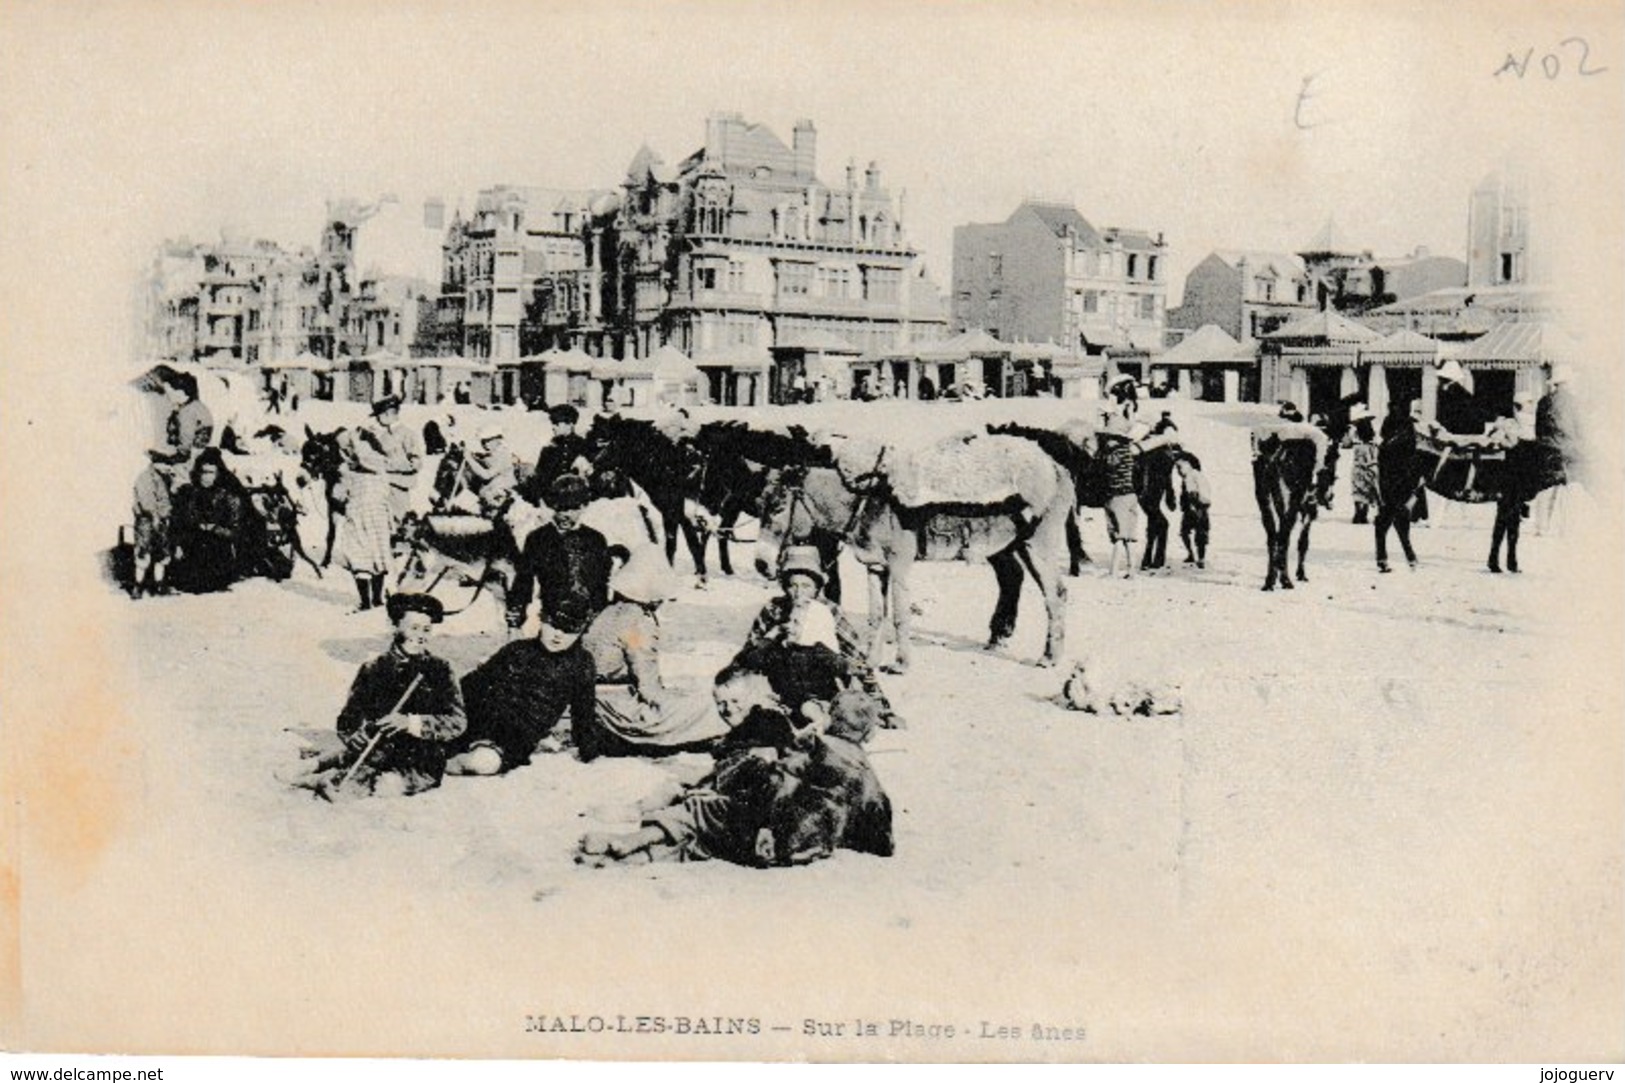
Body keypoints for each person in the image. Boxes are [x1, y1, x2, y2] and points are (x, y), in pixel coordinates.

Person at [576, 665, 894, 867]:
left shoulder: (812, 748)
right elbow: (880, 832)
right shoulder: (867, 775)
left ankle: (632, 843)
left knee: (704, 812)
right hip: (806, 848)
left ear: (829, 717)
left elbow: (780, 784)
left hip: (772, 834)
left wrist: (768, 824)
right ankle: (640, 859)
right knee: (711, 842)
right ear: (868, 733)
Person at [284, 593, 467, 799]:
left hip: (420, 763)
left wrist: (410, 723)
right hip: (373, 752)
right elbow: (348, 719)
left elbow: (457, 722)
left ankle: (314, 778)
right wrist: (355, 734)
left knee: (382, 787)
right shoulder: (373, 668)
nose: (421, 636)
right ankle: (314, 767)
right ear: (394, 626)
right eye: (413, 628)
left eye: (427, 629)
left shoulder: (440, 669)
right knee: (351, 766)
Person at [579, 548, 728, 756]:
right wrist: (673, 701)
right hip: (616, 707)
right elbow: (646, 681)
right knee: (702, 704)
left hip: (591, 696)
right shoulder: (637, 624)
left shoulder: (608, 612)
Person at [737, 546, 896, 727]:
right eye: (792, 585)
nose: (799, 593)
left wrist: (883, 708)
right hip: (780, 683)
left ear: (817, 587)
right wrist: (773, 636)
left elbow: (857, 659)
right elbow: (747, 655)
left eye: (806, 586)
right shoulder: (774, 609)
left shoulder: (829, 611)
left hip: (822, 684)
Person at [447, 595, 601, 774]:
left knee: (483, 762)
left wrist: (589, 752)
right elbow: (472, 684)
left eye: (570, 630)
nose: (558, 635)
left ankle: (442, 764)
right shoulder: (518, 650)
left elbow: (584, 711)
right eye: (553, 625)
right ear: (541, 620)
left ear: (582, 632)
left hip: (516, 737)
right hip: (477, 720)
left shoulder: (581, 663)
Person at [337, 395, 422, 612]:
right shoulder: (373, 434)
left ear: (390, 414)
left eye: (381, 415)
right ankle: (379, 593)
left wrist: (385, 467)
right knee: (375, 542)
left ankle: (395, 589)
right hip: (375, 490)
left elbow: (416, 463)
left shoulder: (408, 434)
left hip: (397, 490)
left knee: (395, 540)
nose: (378, 420)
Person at [507, 473, 615, 631]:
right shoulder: (538, 538)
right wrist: (517, 612)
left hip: (588, 620)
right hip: (551, 619)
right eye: (561, 508)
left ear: (584, 506)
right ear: (552, 506)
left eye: (573, 508)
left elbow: (601, 582)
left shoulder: (595, 539)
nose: (565, 515)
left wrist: (600, 618)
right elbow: (524, 579)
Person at [169, 448, 245, 593]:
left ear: (218, 474)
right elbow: (179, 523)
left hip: (217, 548)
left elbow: (236, 530)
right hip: (193, 546)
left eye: (211, 473)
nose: (206, 477)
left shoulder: (228, 497)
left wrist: (215, 528)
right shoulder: (190, 494)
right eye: (203, 472)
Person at [1373, 398, 1423, 573]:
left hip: (1391, 476)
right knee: (1396, 515)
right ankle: (1408, 556)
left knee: (1388, 516)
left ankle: (1386, 556)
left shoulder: (1390, 430)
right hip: (1400, 477)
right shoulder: (1407, 428)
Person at [518, 404, 589, 506]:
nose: (553, 427)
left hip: (575, 499)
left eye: (557, 423)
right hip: (551, 499)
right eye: (552, 423)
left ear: (570, 424)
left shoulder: (583, 445)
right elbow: (541, 476)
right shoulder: (549, 448)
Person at [1099, 411, 1140, 579]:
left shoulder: (1114, 454)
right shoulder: (1127, 452)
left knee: (1117, 536)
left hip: (1117, 497)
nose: (1106, 440)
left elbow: (1106, 466)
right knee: (1129, 536)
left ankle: (1113, 572)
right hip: (1130, 495)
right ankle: (1132, 570)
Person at [129, 446, 174, 598]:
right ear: (156, 463)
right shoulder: (146, 478)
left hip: (160, 520)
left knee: (162, 553)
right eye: (166, 464)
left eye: (170, 464)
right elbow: (147, 503)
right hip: (147, 521)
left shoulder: (163, 478)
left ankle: (159, 584)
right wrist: (155, 519)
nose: (169, 468)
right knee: (143, 552)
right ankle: (138, 586)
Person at [162, 370, 214, 470]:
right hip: (200, 450)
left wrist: (179, 455)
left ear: (180, 392)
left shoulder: (187, 412)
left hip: (192, 456)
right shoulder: (195, 405)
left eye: (169, 392)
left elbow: (186, 438)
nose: (167, 396)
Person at [1175, 451, 1211, 568]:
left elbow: (1192, 493)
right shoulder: (1197, 475)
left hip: (1195, 508)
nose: (1178, 471)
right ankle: (1199, 557)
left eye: (1180, 467)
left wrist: (1192, 505)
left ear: (1189, 464)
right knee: (1198, 533)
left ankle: (1195, 555)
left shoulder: (1191, 476)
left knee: (1191, 533)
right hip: (1200, 507)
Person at [1345, 405, 1379, 525]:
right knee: (1369, 489)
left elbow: (1346, 444)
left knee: (1357, 490)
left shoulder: (1354, 433)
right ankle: (1364, 512)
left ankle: (1358, 513)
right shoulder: (1373, 435)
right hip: (1371, 465)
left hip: (1358, 466)